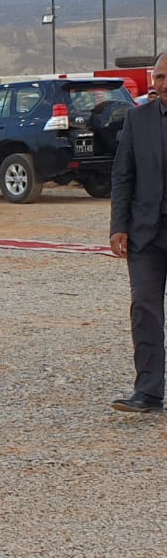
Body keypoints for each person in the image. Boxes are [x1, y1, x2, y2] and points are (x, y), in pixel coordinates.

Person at [110, 52, 167, 413]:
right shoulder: (137, 118)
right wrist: (119, 226)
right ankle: (148, 392)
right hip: (147, 235)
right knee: (145, 310)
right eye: (159, 77)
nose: (162, 84)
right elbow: (122, 175)